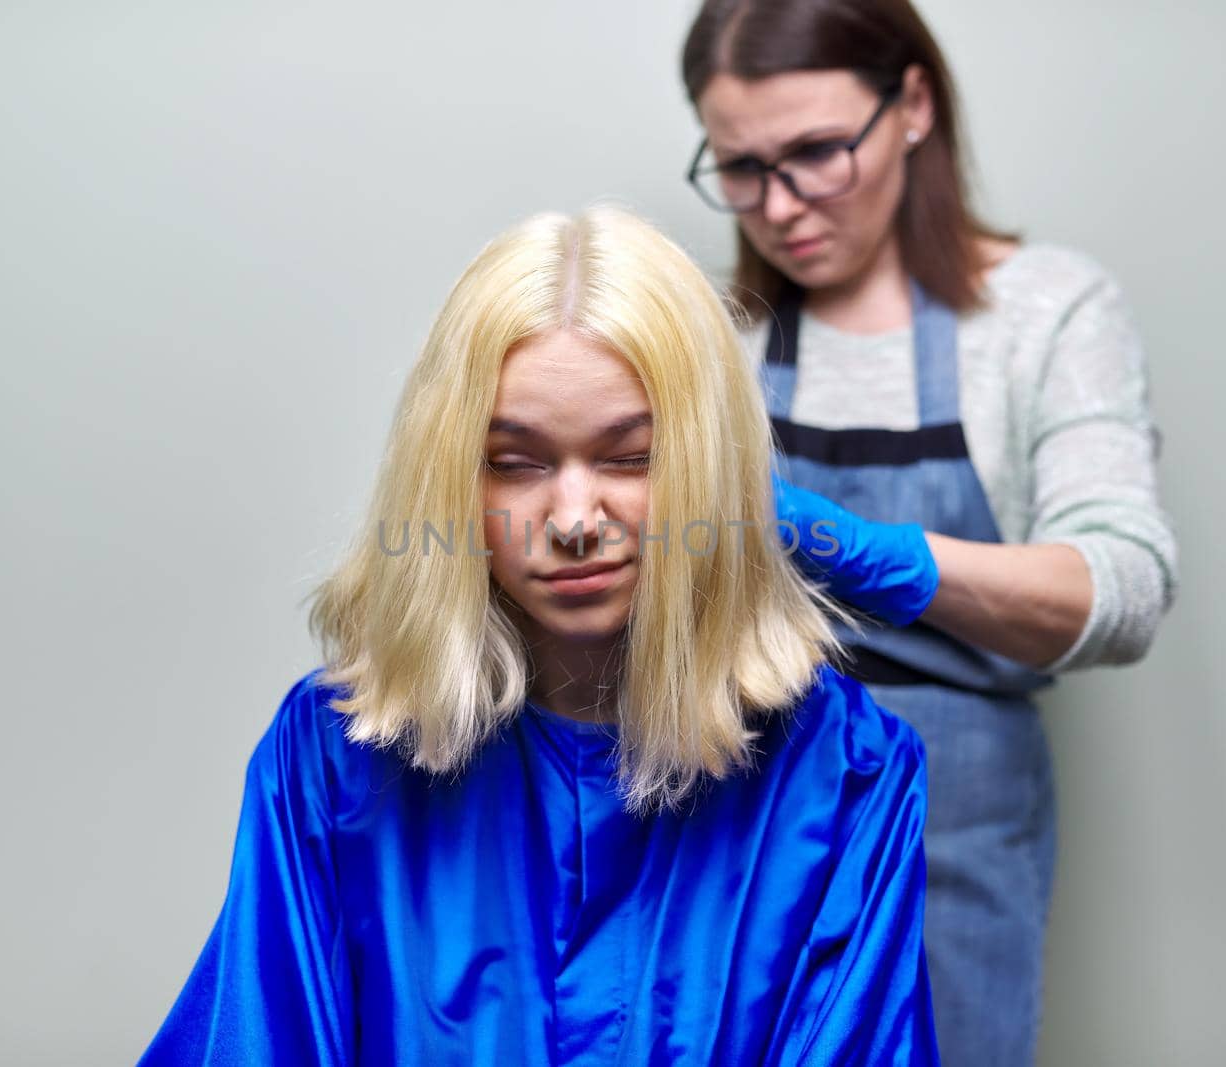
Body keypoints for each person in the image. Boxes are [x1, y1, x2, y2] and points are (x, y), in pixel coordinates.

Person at [138, 207, 940, 1065]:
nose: (572, 520)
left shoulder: (850, 775)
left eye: (632, 458)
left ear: (711, 466)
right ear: (449, 477)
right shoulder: (329, 763)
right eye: (516, 462)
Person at [679, 2, 1179, 1064]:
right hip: (728, 804)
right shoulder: (715, 339)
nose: (780, 205)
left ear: (911, 105)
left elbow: (1123, 586)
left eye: (815, 152)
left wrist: (888, 557)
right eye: (741, 168)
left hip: (955, 818)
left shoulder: (1045, 311)